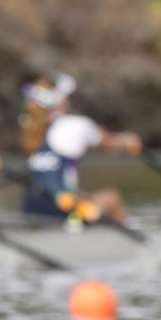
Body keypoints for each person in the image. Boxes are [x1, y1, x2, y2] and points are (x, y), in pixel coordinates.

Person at [19, 73, 140, 225]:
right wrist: (130, 140)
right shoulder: (73, 125)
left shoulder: (31, 132)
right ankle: (128, 244)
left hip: (31, 208)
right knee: (112, 198)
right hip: (62, 208)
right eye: (67, 97)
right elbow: (108, 143)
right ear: (61, 101)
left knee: (84, 196)